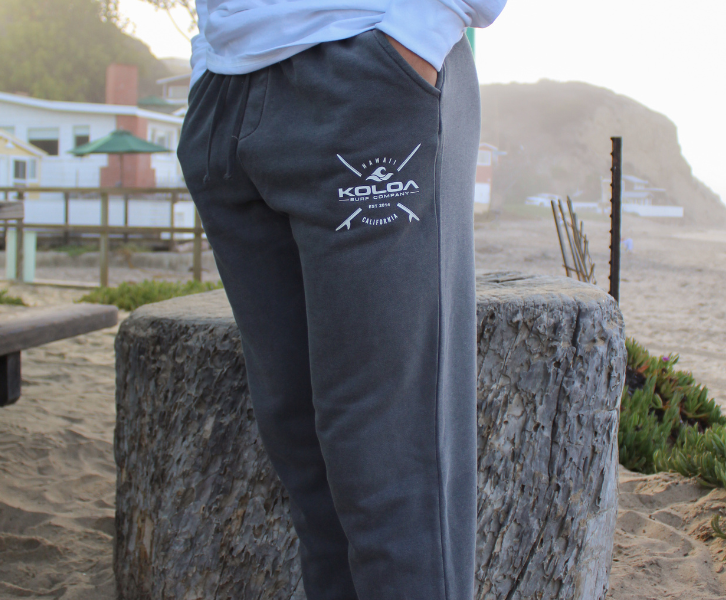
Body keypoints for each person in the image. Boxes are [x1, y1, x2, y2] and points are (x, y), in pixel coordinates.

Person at [177, 1, 503, 599]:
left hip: (364, 69)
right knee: (307, 464)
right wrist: (208, 59)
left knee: (393, 477)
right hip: (224, 95)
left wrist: (426, 27)